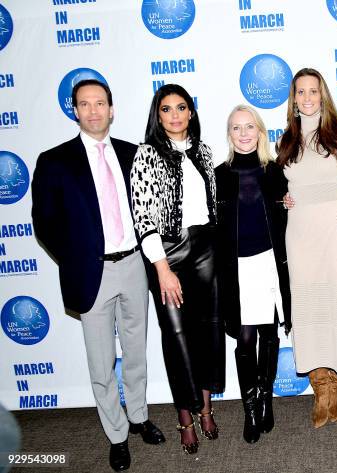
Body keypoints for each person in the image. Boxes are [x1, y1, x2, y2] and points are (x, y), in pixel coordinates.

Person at [31, 79, 165, 472]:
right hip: (92, 274)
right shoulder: (54, 161)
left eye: (100, 103)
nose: (93, 111)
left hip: (135, 266)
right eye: (85, 104)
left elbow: (149, 209)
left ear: (112, 108)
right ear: (75, 110)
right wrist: (77, 259)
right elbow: (45, 223)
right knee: (101, 363)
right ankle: (117, 434)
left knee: (137, 353)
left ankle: (139, 417)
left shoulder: (134, 154)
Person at [130, 84, 225, 454]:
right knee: (177, 338)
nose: (174, 115)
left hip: (206, 249)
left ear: (190, 113)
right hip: (167, 252)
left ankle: (206, 410)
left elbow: (213, 206)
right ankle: (185, 418)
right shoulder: (146, 155)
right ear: (158, 115)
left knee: (206, 333)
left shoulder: (204, 151)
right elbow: (144, 216)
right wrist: (162, 268)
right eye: (166, 108)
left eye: (181, 107)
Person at [278, 68, 337, 428]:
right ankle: (320, 388)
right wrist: (282, 199)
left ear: (322, 95)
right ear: (294, 98)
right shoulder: (286, 140)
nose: (308, 97)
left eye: (314, 91)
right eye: (301, 91)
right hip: (300, 235)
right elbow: (275, 186)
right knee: (310, 309)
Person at [215, 104, 291, 443]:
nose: (244, 134)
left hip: (268, 266)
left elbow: (287, 221)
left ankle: (266, 397)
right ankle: (250, 406)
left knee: (270, 336)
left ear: (260, 132)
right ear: (229, 135)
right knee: (246, 341)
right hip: (237, 270)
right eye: (236, 128)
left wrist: (290, 204)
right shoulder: (217, 176)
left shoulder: (275, 172)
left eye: (250, 127)